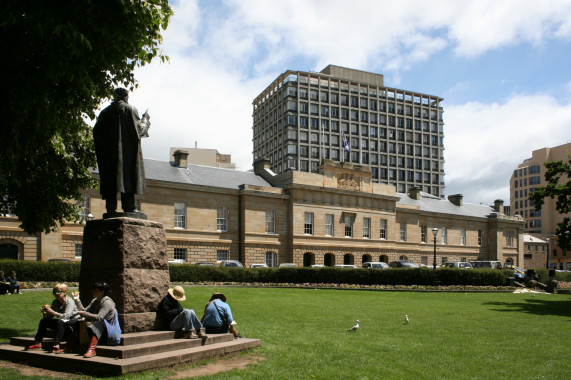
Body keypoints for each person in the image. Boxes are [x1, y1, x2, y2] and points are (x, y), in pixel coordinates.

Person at [93, 87, 150, 215]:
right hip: (127, 155)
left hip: (108, 156)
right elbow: (139, 131)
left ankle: (111, 207)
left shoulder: (104, 113)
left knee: (111, 178)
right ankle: (129, 206)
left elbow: (96, 133)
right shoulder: (130, 109)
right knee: (128, 177)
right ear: (125, 97)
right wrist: (145, 119)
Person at [26, 283, 81, 353]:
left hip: (72, 324)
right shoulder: (55, 302)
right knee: (44, 321)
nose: (56, 293)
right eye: (55, 292)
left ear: (65, 292)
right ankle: (38, 343)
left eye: (59, 291)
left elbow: (66, 316)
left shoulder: (70, 302)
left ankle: (56, 345)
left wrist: (53, 313)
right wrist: (45, 313)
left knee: (60, 321)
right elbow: (50, 317)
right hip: (62, 323)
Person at [75, 282, 119, 358]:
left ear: (102, 292)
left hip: (108, 332)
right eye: (93, 290)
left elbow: (99, 317)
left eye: (96, 290)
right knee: (76, 322)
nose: (93, 292)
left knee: (98, 324)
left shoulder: (107, 302)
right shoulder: (95, 300)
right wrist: (77, 300)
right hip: (98, 331)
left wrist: (84, 314)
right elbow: (85, 310)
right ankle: (69, 345)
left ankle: (92, 349)